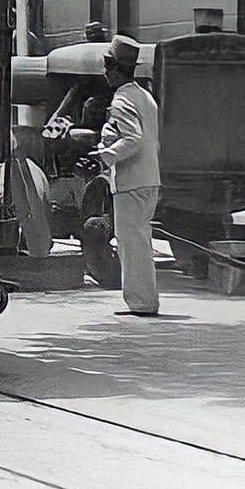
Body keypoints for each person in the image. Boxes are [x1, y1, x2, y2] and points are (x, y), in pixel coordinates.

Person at [83, 34, 162, 317]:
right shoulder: (145, 97)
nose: (105, 73)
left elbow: (133, 139)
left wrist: (104, 156)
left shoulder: (122, 100)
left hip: (131, 183)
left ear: (117, 70)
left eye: (107, 67)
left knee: (132, 244)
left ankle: (142, 303)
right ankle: (145, 299)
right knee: (141, 242)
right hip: (149, 179)